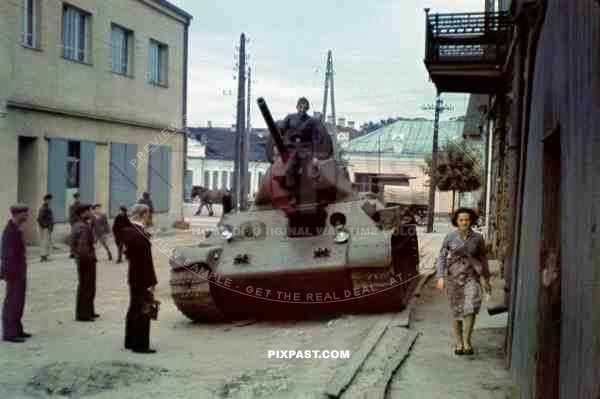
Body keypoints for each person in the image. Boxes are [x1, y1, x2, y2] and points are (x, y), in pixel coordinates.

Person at [435, 207, 491, 356]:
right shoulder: (450, 237)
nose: (464, 222)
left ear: (471, 221)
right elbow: (441, 257)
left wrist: (486, 278)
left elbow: (483, 259)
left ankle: (467, 341)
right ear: (456, 221)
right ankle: (459, 343)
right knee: (457, 311)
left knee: (471, 307)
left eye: (467, 219)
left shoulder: (478, 238)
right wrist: (440, 276)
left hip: (471, 276)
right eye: (461, 220)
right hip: (454, 277)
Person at [122, 204, 158, 354]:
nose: (150, 217)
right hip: (143, 277)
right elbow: (146, 261)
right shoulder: (140, 234)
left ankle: (130, 341)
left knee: (133, 308)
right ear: (143, 214)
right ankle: (140, 345)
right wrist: (152, 281)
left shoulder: (129, 231)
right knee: (144, 310)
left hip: (133, 276)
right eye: (148, 214)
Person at [1, 204, 31, 343]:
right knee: (12, 302)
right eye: (25, 213)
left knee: (18, 302)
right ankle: (9, 333)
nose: (27, 216)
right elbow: (7, 255)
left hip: (19, 271)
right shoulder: (10, 231)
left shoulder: (16, 229)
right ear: (18, 214)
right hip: (13, 272)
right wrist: (8, 272)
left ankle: (17, 329)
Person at [71, 204, 98, 322]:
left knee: (89, 286)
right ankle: (83, 314)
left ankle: (89, 311)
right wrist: (88, 258)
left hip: (84, 259)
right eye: (88, 211)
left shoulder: (84, 225)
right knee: (86, 286)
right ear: (82, 213)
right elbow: (82, 246)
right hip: (86, 260)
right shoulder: (81, 226)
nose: (90, 212)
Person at [37, 194, 55, 262]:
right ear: (46, 200)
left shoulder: (47, 207)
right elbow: (39, 219)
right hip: (45, 228)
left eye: (50, 200)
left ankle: (45, 256)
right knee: (44, 242)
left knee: (46, 242)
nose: (50, 201)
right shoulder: (44, 208)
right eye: (49, 200)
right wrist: (45, 226)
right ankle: (43, 256)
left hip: (47, 227)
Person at [68, 192, 81, 258]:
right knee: (73, 239)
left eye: (78, 198)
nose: (77, 199)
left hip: (79, 224)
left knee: (79, 239)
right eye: (76, 198)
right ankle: (72, 253)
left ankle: (77, 252)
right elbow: (70, 216)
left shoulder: (81, 206)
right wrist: (72, 224)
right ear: (75, 198)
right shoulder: (72, 206)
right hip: (74, 224)